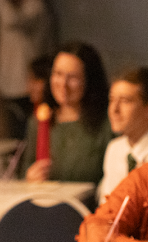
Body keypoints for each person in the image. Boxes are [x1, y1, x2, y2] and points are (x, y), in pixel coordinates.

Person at [20, 42, 112, 183]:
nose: (63, 84)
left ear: (89, 80)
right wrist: (30, 177)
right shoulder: (40, 120)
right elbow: (25, 171)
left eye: (73, 77)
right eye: (58, 74)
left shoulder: (107, 123)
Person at [97, 67, 148, 204]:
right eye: (111, 100)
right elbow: (106, 204)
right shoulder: (115, 148)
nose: (114, 109)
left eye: (125, 101)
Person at [0, 0, 54, 107]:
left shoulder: (34, 4)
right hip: (6, 86)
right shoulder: (6, 9)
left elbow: (12, 20)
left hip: (26, 85)